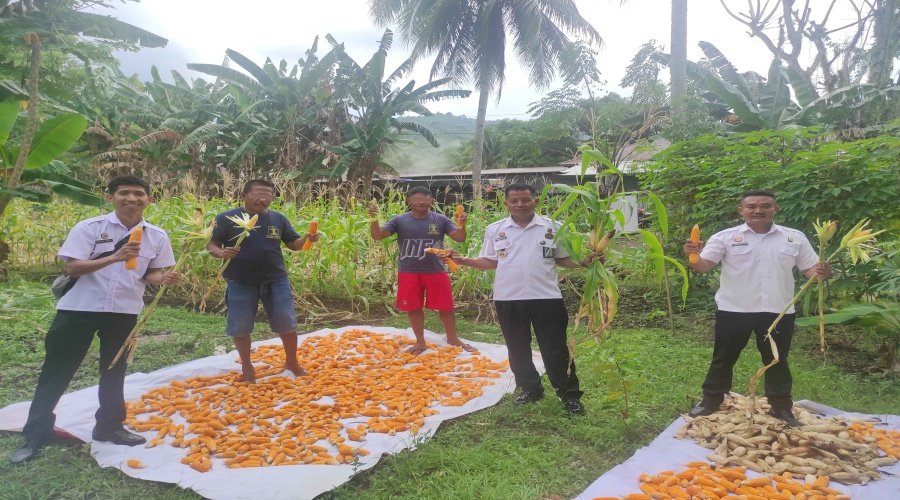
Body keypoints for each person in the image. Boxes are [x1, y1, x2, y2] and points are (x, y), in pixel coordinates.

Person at [10, 176, 180, 464]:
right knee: (57, 370)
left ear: (149, 200)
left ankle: (109, 427)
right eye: (123, 193)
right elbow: (73, 267)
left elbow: (149, 273)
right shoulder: (90, 228)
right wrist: (114, 257)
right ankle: (36, 434)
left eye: (139, 193)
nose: (132, 198)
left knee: (114, 371)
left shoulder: (157, 236)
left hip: (124, 312)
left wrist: (163, 278)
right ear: (110, 197)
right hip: (79, 309)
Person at [683, 189, 833, 427]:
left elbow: (811, 271)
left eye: (765, 206)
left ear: (775, 209)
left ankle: (781, 406)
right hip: (734, 310)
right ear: (741, 211)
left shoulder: (793, 238)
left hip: (778, 311)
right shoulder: (725, 237)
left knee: (777, 359)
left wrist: (823, 272)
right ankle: (711, 400)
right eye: (751, 206)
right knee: (723, 358)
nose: (758, 210)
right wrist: (693, 255)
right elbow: (703, 266)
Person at [451, 184, 591, 416]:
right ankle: (530, 389)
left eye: (525, 199)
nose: (520, 204)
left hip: (546, 297)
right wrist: (463, 260)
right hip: (509, 298)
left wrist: (585, 263)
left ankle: (569, 395)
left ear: (535, 200)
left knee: (555, 348)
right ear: (506, 203)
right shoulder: (495, 229)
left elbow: (563, 259)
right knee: (517, 347)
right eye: (514, 200)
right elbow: (490, 261)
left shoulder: (553, 227)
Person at [207, 179, 318, 383]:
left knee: (287, 322)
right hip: (240, 280)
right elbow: (212, 244)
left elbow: (293, 244)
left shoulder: (278, 219)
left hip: (276, 279)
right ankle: (247, 368)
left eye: (268, 195)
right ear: (244, 195)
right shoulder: (226, 218)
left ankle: (292, 362)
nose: (262, 199)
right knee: (240, 326)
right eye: (257, 194)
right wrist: (222, 253)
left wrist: (307, 239)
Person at [368, 186, 474, 355]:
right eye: (417, 201)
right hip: (409, 271)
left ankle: (453, 338)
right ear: (409, 201)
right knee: (414, 307)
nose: (422, 204)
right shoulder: (399, 220)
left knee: (446, 307)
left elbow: (459, 238)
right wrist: (373, 219)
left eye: (426, 201)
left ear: (431, 200)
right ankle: (420, 341)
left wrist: (462, 225)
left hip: (436, 270)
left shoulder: (440, 220)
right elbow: (378, 236)